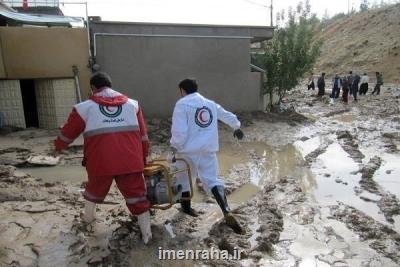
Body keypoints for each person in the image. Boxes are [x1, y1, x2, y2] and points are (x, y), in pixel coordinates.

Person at [53, 72, 152, 244]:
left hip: (100, 163)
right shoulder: (133, 105)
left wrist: (58, 148)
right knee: (138, 198)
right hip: (130, 161)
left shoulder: (84, 108)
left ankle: (88, 221)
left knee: (93, 192)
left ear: (93, 88)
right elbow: (143, 137)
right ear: (110, 85)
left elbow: (68, 133)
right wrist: (142, 159)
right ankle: (147, 236)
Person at [170, 78, 245, 234]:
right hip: (208, 149)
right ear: (196, 89)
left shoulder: (182, 104)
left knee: (185, 180)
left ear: (182, 90)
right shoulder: (209, 103)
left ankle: (187, 209)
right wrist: (236, 126)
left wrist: (175, 146)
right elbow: (225, 115)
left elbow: (179, 131)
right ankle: (226, 210)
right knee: (213, 180)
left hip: (187, 151)